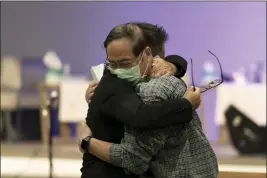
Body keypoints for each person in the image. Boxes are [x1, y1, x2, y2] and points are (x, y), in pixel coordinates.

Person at [80, 22, 201, 178]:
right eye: (113, 64)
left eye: (125, 63)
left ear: (148, 55)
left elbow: (177, 60)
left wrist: (173, 65)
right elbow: (141, 117)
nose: (118, 69)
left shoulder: (150, 81)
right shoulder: (113, 84)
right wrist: (187, 104)